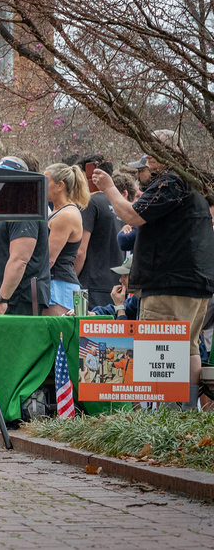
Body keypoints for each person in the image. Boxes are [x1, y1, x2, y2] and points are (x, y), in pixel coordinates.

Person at [90, 130, 214, 409]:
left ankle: (165, 418)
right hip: (195, 283)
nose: (143, 166)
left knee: (159, 349)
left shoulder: (170, 182)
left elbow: (132, 215)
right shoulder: (192, 182)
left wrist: (109, 188)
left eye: (148, 156)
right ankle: (184, 414)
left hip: (169, 283)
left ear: (159, 157)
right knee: (189, 348)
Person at [0, 157, 51, 316]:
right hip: (9, 299)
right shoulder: (13, 208)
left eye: (2, 176)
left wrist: (2, 300)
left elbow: (19, 260)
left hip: (19, 300)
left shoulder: (24, 209)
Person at [73, 157, 124, 310]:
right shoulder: (118, 203)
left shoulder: (89, 203)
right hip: (115, 286)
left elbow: (80, 251)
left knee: (86, 333)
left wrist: (71, 280)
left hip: (91, 286)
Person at [44, 163, 90, 316]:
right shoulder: (57, 212)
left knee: (58, 337)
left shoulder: (66, 215)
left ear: (60, 186)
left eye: (46, 181)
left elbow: (49, 258)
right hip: (56, 283)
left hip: (59, 286)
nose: (42, 186)